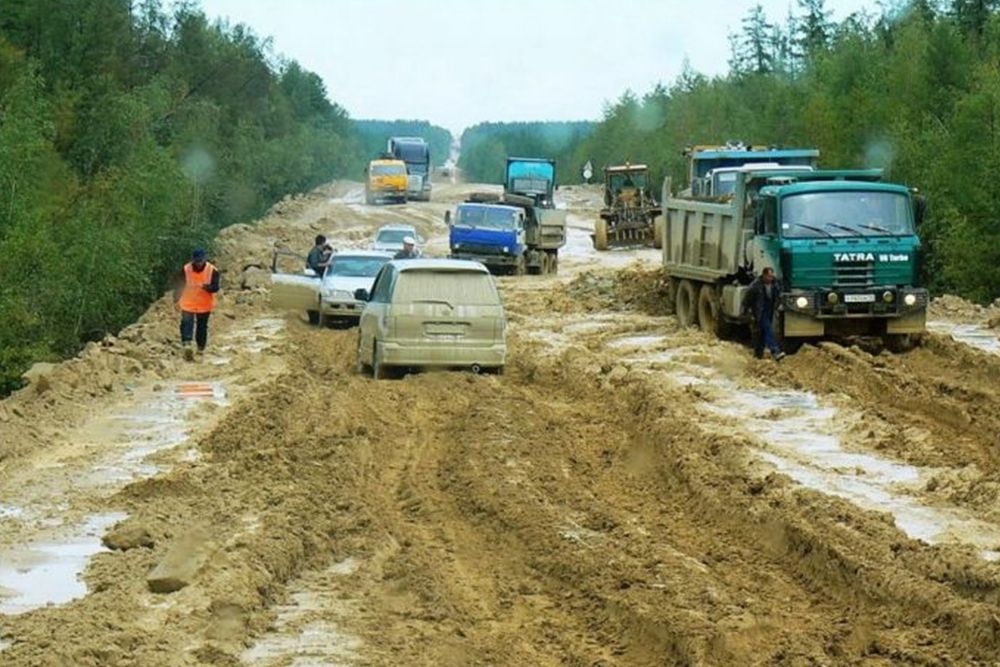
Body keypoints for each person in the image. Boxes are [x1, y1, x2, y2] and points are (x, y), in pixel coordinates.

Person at [175, 249, 220, 360]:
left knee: (202, 326)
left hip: (204, 303)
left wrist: (208, 288)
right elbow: (179, 285)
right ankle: (187, 344)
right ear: (193, 260)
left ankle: (200, 348)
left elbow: (216, 287)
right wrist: (176, 299)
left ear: (204, 259)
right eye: (196, 261)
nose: (198, 264)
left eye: (200, 261)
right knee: (186, 322)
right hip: (188, 302)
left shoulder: (213, 271)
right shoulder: (186, 269)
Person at [743, 266, 785, 361]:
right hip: (760, 310)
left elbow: (779, 295)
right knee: (768, 328)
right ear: (764, 275)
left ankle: (758, 354)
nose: (770, 278)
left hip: (770, 308)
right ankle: (775, 351)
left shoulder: (775, 284)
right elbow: (747, 299)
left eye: (771, 276)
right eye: (769, 276)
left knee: (762, 332)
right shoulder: (755, 285)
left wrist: (779, 304)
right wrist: (747, 311)